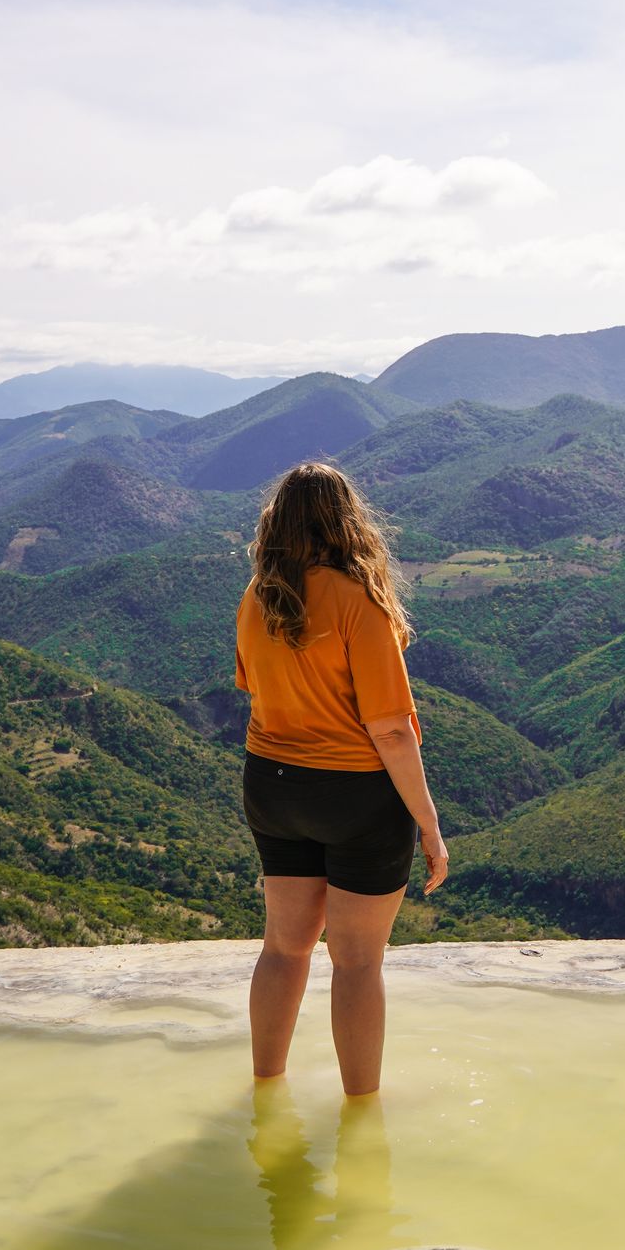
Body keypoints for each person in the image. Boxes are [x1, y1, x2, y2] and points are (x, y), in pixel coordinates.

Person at [234, 460, 449, 1096]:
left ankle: (265, 1089)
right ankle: (360, 1116)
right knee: (355, 964)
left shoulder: (258, 599)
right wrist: (430, 828)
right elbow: (389, 730)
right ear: (348, 523)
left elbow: (255, 689)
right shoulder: (361, 603)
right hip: (354, 795)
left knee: (283, 947)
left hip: (272, 786)